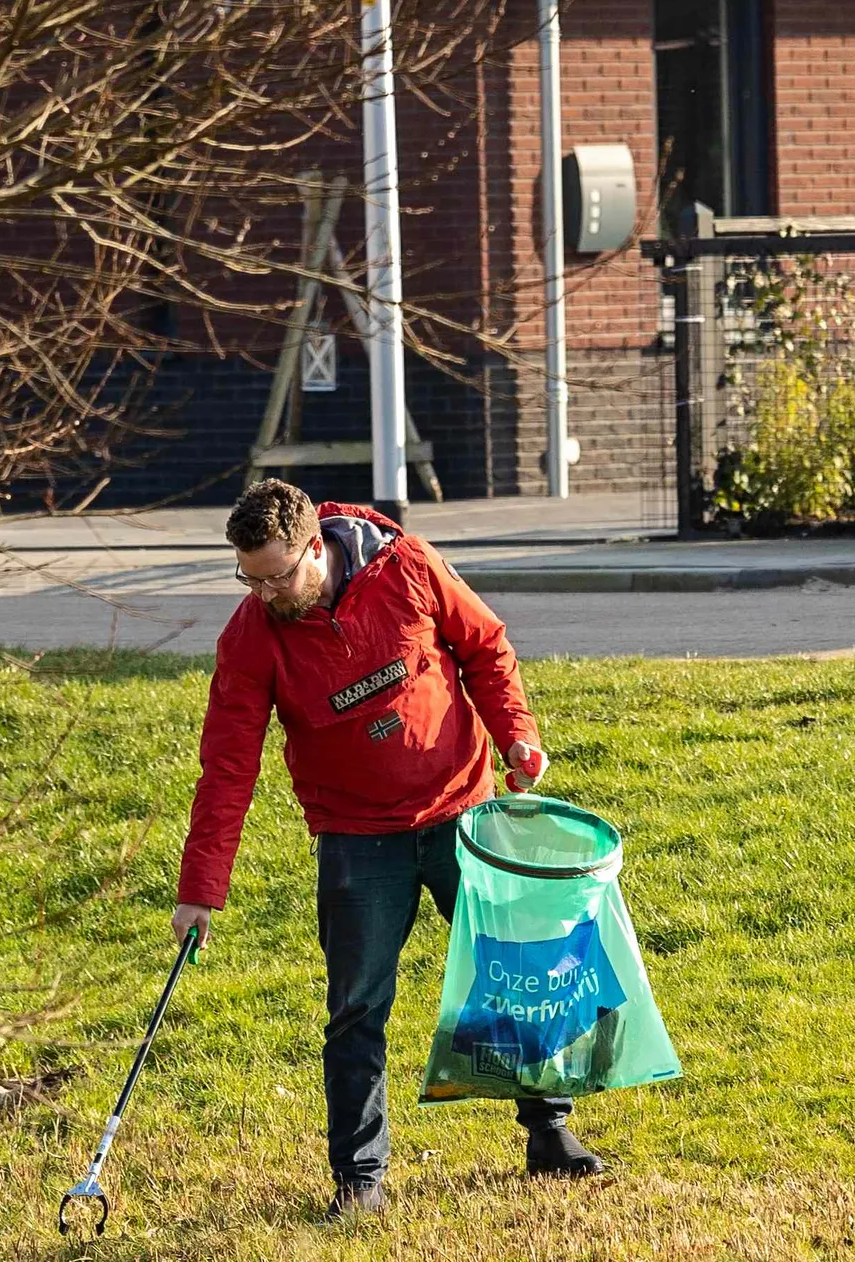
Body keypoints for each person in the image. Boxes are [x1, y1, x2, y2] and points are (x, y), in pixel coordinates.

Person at [172, 477, 607, 1215]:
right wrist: (200, 891)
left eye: (277, 577)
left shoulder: (406, 566)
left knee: (516, 973)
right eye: (250, 580)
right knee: (356, 1009)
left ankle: (549, 1130)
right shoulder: (251, 637)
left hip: (462, 811)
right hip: (356, 838)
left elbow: (486, 648)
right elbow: (227, 769)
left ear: (315, 547)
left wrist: (517, 737)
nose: (265, 594)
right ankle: (360, 1179)